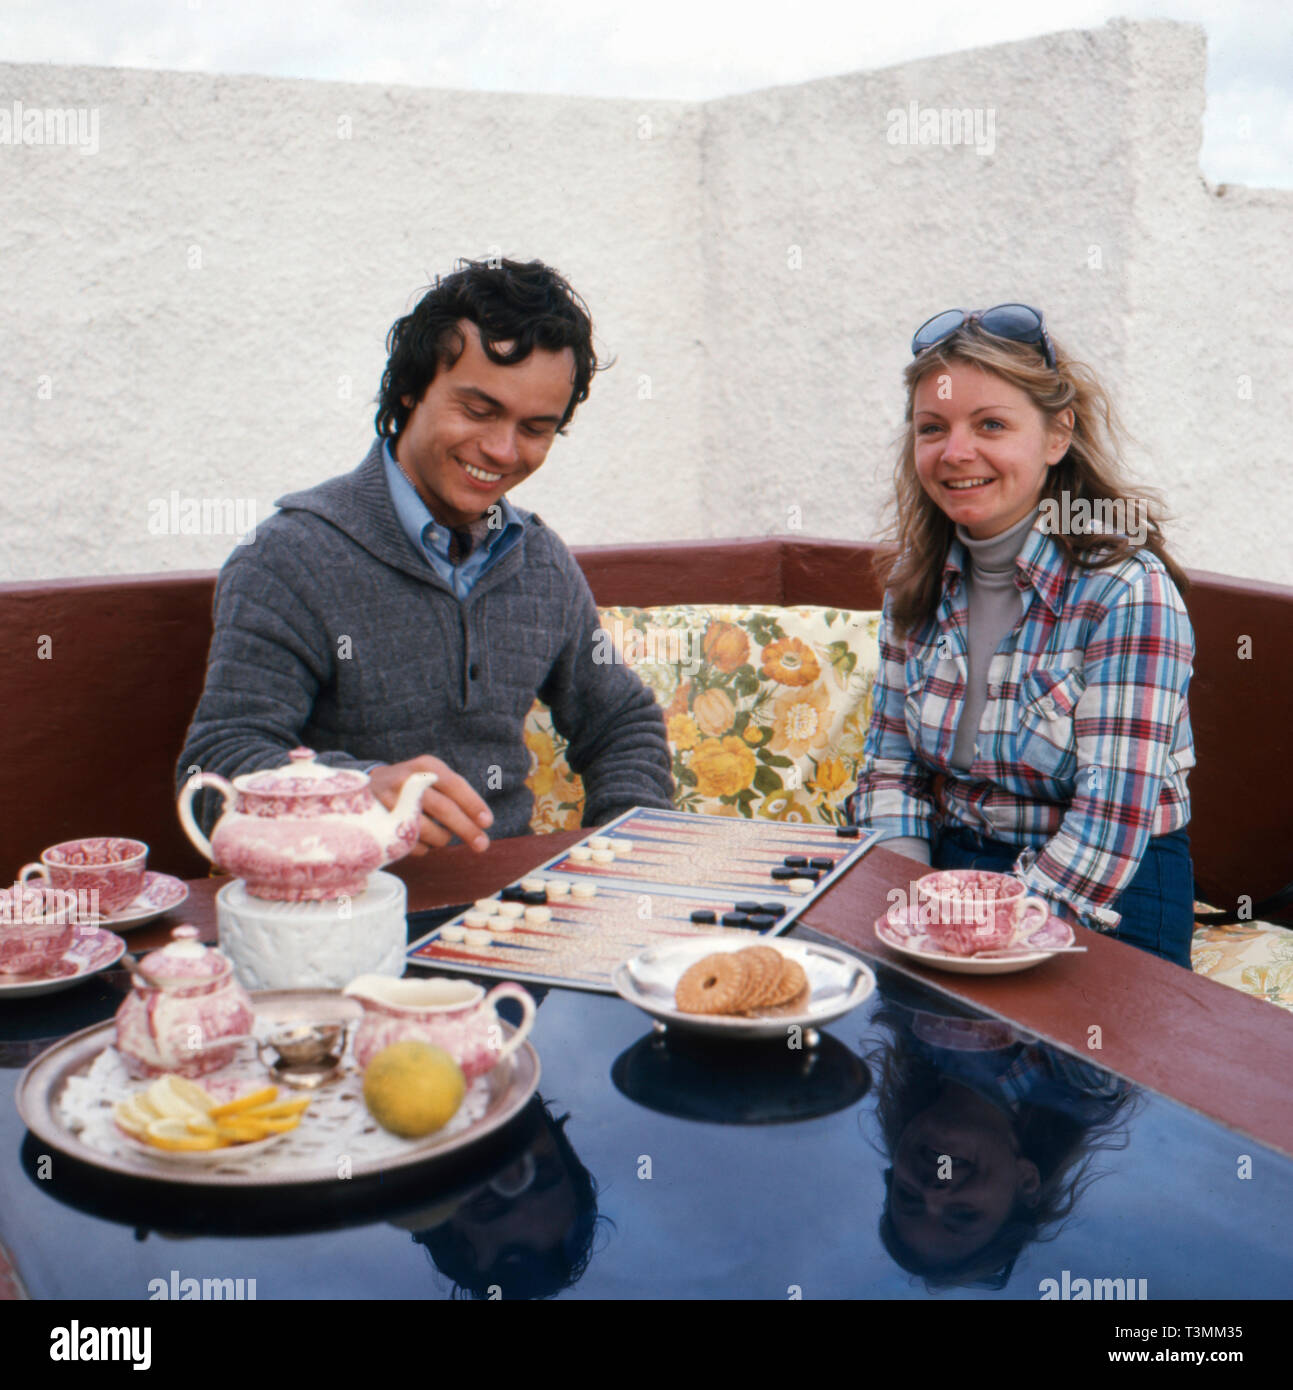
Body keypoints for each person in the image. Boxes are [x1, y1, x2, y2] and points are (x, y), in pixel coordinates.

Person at [177, 258, 674, 850]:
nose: (502, 450)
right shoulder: (289, 556)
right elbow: (216, 766)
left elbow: (621, 722)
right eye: (478, 411)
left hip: (510, 896)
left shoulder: (540, 561)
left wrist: (624, 856)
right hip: (346, 899)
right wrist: (356, 793)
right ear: (410, 389)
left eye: (535, 429)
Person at [850, 304, 1196, 966]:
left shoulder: (1126, 590)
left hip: (1111, 887)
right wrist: (910, 904)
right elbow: (890, 768)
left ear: (1056, 435)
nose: (955, 453)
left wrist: (985, 939)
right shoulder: (914, 583)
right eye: (932, 428)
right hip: (951, 871)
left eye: (990, 424)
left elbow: (1110, 821)